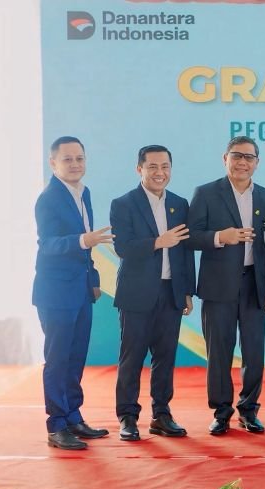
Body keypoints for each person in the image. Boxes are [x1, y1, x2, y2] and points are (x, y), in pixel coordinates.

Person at [186, 136, 265, 435]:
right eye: (237, 156)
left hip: (255, 284)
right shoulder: (206, 193)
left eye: (249, 157)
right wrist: (219, 237)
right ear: (225, 158)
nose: (242, 162)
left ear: (257, 163)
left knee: (254, 352)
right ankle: (221, 411)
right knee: (219, 352)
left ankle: (249, 410)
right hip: (218, 286)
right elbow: (190, 236)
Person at [110, 145, 195, 441]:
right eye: (153, 167)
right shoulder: (123, 204)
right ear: (140, 169)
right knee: (132, 357)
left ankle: (161, 414)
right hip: (137, 294)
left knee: (165, 357)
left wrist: (186, 291)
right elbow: (123, 248)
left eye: (165, 166)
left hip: (171, 292)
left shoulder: (180, 204)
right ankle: (127, 416)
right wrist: (159, 241)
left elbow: (185, 250)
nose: (160, 173)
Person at [33, 136, 113, 450]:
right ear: (53, 163)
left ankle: (73, 417)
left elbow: (86, 246)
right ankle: (56, 425)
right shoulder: (48, 199)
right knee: (57, 359)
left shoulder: (83, 192)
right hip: (55, 293)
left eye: (80, 158)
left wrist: (93, 278)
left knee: (76, 356)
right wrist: (82, 240)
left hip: (81, 289)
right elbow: (48, 245)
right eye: (67, 159)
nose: (75, 164)